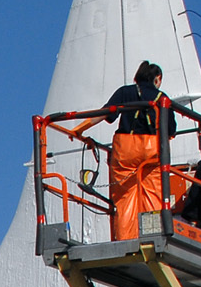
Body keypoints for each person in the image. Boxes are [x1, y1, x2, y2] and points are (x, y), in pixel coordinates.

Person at [70, 61, 165, 241]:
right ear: (157, 78)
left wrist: (80, 128)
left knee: (124, 199)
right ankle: (152, 238)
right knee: (152, 196)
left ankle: (125, 240)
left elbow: (105, 113)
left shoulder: (126, 91)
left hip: (126, 149)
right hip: (152, 150)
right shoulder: (162, 98)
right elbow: (170, 130)